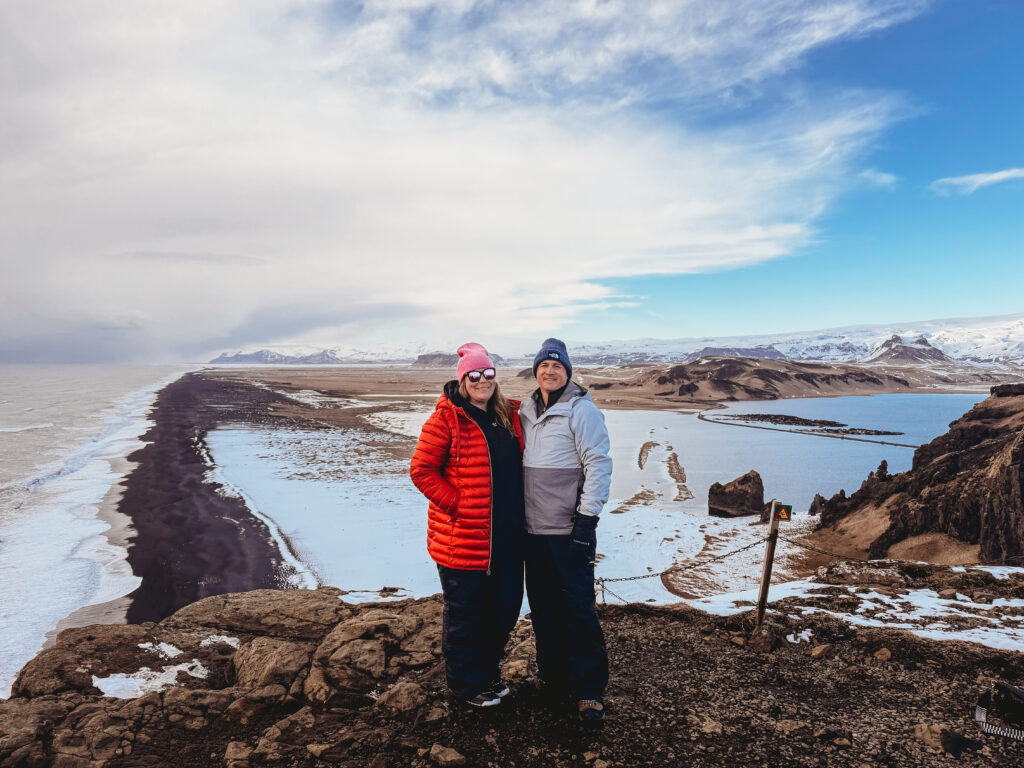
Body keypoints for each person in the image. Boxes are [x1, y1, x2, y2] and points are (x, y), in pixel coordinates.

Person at [409, 343, 526, 707]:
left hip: (506, 537)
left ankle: (488, 673)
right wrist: (459, 504)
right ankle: (465, 686)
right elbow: (421, 470)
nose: (482, 380)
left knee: (505, 610)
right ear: (462, 380)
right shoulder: (446, 419)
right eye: (474, 375)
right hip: (463, 540)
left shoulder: (507, 414)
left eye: (488, 373)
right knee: (466, 616)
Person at [519, 338, 612, 722]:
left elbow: (599, 465)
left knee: (577, 608)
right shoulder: (525, 409)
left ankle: (590, 689)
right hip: (532, 531)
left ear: (567, 372)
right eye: (544, 366)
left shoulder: (581, 410)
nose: (550, 371)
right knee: (543, 609)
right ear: (537, 370)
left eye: (557, 366)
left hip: (568, 530)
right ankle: (553, 677)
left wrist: (586, 523)